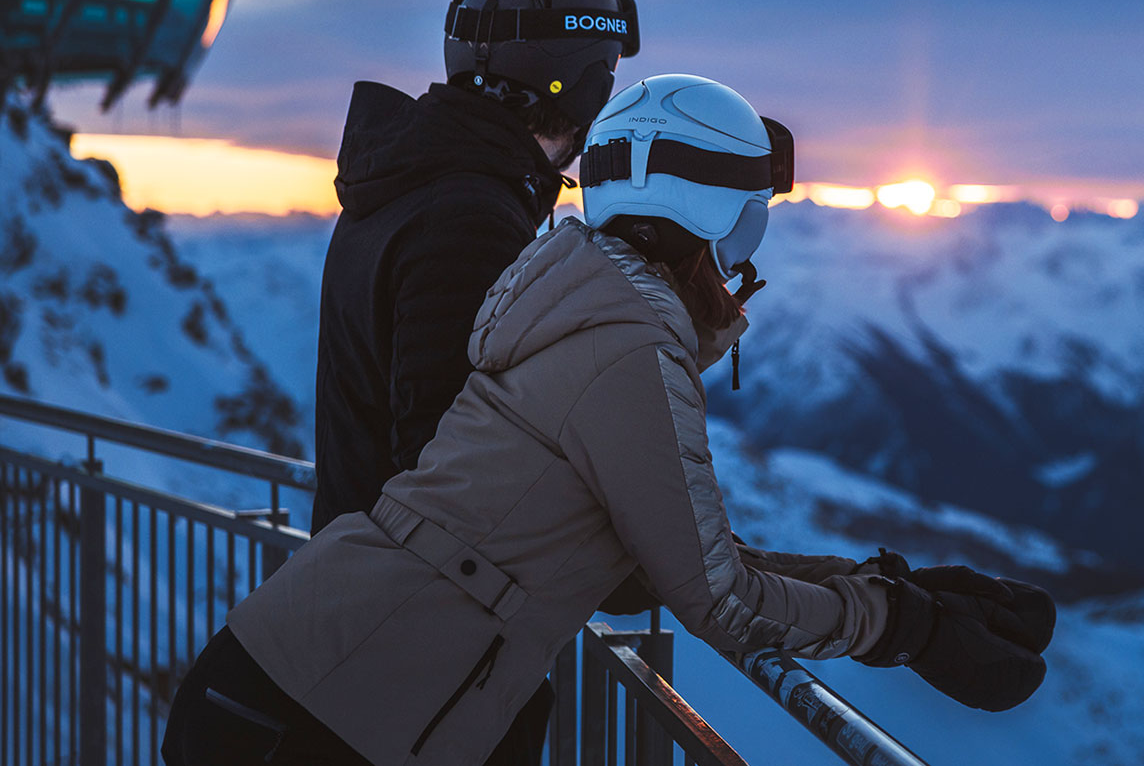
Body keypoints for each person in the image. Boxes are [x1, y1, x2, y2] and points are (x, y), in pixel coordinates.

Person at [162, 75, 1055, 766]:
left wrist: (887, 585)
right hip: (327, 711)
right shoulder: (628, 346)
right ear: (700, 213)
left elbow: (677, 552)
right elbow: (718, 596)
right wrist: (903, 629)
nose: (744, 257)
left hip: (308, 683)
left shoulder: (589, 310)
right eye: (746, 224)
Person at [308, 0, 638, 763]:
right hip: (425, 663)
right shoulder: (468, 213)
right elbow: (455, 477)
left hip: (368, 627)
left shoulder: (413, 183)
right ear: (580, 84)